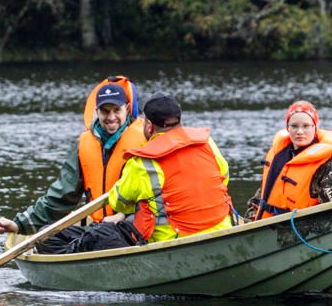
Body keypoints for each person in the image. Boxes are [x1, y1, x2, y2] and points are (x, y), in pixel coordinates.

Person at [0, 76, 147, 253]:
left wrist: (124, 215)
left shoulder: (143, 140)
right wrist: (19, 224)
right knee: (46, 238)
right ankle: (78, 258)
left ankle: (83, 252)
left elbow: (156, 194)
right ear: (97, 111)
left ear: (126, 109)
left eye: (116, 110)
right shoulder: (85, 144)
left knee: (101, 237)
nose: (111, 117)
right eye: (105, 111)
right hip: (98, 229)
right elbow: (60, 196)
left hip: (131, 228)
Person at [101, 93, 235, 244]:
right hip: (223, 230)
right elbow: (224, 177)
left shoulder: (141, 162)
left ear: (149, 126)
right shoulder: (207, 143)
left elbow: (119, 202)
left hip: (175, 241)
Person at [245, 100, 332, 221]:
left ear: (314, 127)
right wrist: (249, 223)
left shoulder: (329, 164)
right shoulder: (279, 157)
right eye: (294, 126)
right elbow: (261, 196)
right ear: (287, 128)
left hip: (302, 232)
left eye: (306, 126)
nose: (300, 131)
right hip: (269, 229)